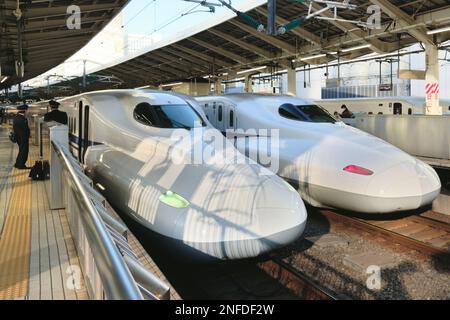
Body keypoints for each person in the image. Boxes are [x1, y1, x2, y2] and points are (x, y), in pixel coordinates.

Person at [13, 104, 30, 169]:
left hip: (19, 137)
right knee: (24, 151)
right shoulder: (22, 119)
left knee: (21, 150)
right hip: (23, 138)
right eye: (27, 110)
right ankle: (21, 165)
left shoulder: (16, 117)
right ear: (25, 110)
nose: (27, 111)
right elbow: (25, 129)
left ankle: (17, 163)